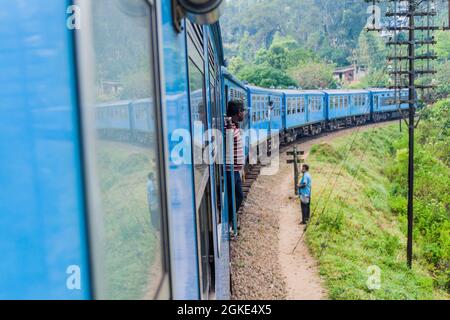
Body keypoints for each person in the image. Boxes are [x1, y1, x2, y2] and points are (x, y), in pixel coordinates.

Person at [225, 100, 245, 227]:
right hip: (229, 170)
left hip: (235, 170)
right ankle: (230, 222)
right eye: (243, 111)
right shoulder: (229, 128)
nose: (244, 114)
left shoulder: (234, 125)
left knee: (238, 197)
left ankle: (231, 220)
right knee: (235, 197)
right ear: (238, 112)